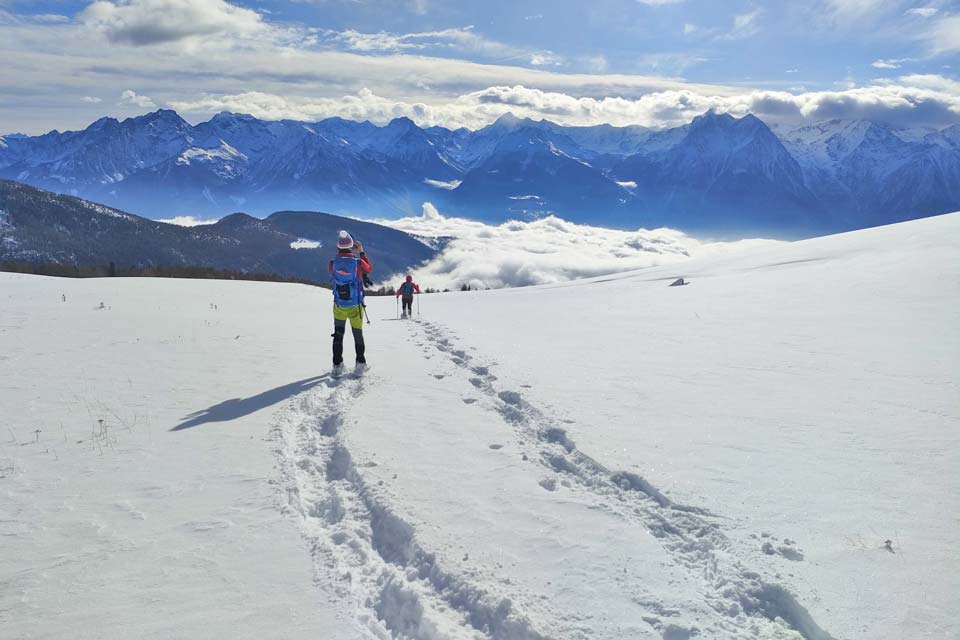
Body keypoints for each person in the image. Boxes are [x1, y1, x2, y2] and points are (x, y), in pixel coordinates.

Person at [328, 230, 372, 376]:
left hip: (339, 305)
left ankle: (337, 365)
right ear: (352, 246)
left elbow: (332, 273)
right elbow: (369, 269)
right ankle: (360, 364)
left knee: (338, 335)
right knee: (357, 334)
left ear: (338, 246)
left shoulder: (332, 263)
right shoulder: (358, 262)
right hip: (355, 306)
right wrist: (361, 252)